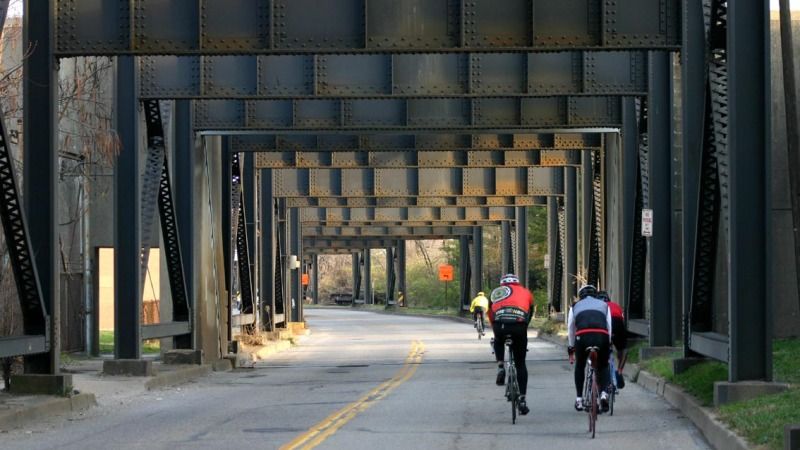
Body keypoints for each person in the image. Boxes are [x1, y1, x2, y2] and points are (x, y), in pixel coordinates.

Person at [489, 273, 534, 416]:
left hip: (500, 324)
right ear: (518, 283)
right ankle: (522, 399)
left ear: (502, 284)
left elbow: (491, 313)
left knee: (498, 340)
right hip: (519, 326)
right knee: (520, 363)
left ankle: (501, 366)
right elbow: (530, 312)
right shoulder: (526, 292)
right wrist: (524, 327)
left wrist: (495, 327)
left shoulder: (496, 292)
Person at [567, 284, 612, 413]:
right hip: (601, 335)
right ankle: (603, 394)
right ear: (595, 295)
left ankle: (579, 399)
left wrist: (571, 346)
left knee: (580, 366)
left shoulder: (575, 306)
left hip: (583, 336)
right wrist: (607, 344)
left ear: (581, 296)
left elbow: (571, 328)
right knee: (603, 365)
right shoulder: (604, 305)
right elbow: (609, 325)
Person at [597, 290, 627, 389]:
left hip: (603, 323)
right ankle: (619, 370)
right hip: (617, 322)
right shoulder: (615, 305)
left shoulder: (597, 306)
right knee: (623, 349)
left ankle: (602, 372)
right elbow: (622, 319)